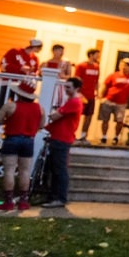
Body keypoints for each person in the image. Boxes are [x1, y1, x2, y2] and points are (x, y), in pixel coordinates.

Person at [0, 80, 45, 211]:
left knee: (9, 170)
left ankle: (8, 201)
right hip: (28, 141)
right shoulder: (39, 108)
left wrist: (7, 120)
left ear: (19, 94)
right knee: (25, 171)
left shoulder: (10, 106)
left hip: (12, 139)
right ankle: (23, 201)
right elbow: (42, 125)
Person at [41, 77, 84, 208]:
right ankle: (52, 196)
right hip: (57, 137)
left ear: (76, 88)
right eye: (65, 87)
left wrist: (52, 114)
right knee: (53, 169)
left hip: (63, 139)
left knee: (60, 169)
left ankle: (60, 198)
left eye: (68, 87)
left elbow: (55, 116)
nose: (65, 89)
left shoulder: (75, 102)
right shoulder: (70, 101)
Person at [98, 58, 129, 145]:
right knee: (105, 120)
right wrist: (101, 97)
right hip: (109, 100)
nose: (123, 67)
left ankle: (116, 137)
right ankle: (104, 137)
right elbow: (105, 85)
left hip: (121, 103)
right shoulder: (113, 75)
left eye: (126, 66)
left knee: (119, 121)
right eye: (122, 65)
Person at [73, 49, 101, 143]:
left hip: (91, 95)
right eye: (96, 55)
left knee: (89, 115)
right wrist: (77, 93)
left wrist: (97, 91)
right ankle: (73, 134)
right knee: (77, 115)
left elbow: (97, 81)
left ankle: (83, 136)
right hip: (81, 94)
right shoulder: (81, 66)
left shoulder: (97, 67)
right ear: (90, 55)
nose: (98, 57)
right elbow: (76, 79)